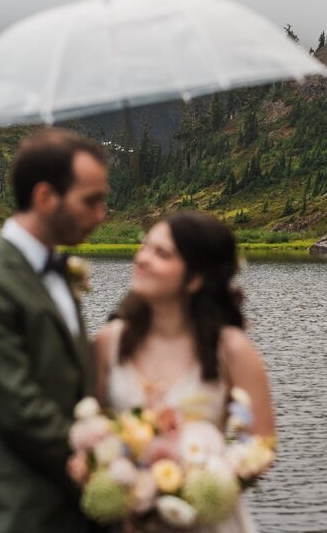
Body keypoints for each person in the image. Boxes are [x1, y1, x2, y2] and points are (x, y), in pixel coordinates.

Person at [0, 128, 109, 533]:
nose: (102, 214)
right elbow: (19, 409)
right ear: (44, 197)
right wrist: (108, 468)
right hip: (16, 513)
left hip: (75, 513)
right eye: (91, 200)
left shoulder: (58, 272)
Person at [94, 211, 275, 533]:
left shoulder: (232, 350)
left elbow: (261, 445)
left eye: (161, 253)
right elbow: (93, 428)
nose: (143, 258)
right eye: (145, 246)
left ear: (194, 278)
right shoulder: (109, 341)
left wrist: (198, 485)